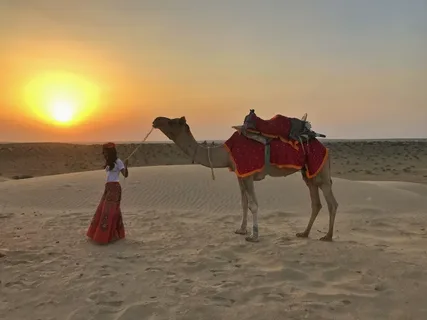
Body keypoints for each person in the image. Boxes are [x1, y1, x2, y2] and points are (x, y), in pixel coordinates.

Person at [86, 142, 129, 244]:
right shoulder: (110, 162)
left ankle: (105, 237)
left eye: (105, 152)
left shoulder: (118, 162)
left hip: (114, 188)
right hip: (108, 188)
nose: (104, 154)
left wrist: (126, 166)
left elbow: (125, 174)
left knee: (108, 212)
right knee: (108, 210)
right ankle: (113, 235)